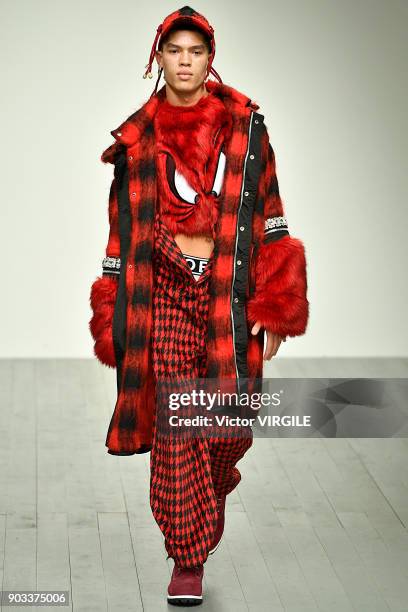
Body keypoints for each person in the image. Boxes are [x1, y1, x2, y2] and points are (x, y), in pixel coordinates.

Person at [89, 5, 309, 606]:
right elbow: (119, 231)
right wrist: (111, 307)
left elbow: (271, 214)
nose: (185, 61)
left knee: (228, 426)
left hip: (227, 294)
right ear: (157, 59)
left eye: (196, 51)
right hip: (160, 291)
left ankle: (210, 488)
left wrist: (278, 298)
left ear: (210, 59)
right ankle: (187, 559)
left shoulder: (246, 130)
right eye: (174, 50)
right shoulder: (138, 140)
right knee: (177, 422)